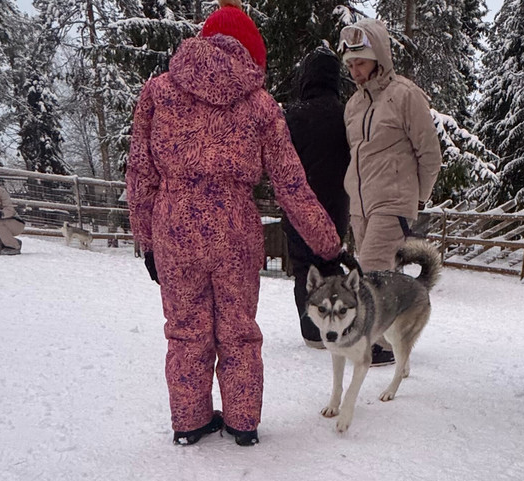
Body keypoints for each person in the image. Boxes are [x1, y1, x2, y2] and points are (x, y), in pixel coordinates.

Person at [125, 0, 343, 448]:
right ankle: (243, 424)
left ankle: (189, 423)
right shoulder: (261, 107)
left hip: (174, 230)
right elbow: (292, 185)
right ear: (251, 53)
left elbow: (141, 174)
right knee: (239, 331)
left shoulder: (158, 93)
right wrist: (330, 247)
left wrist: (147, 242)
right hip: (235, 233)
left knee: (186, 332)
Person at [338, 17, 441, 366]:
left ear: (379, 57)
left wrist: (418, 198)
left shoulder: (404, 95)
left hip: (393, 200)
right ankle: (384, 335)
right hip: (360, 203)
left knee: (371, 270)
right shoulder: (353, 105)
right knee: (370, 273)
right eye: (350, 64)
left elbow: (429, 153)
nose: (355, 71)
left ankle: (377, 344)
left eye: (361, 62)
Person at [283, 46, 351, 350]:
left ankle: (311, 331)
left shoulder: (293, 115)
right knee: (331, 263)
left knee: (303, 268)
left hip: (299, 204)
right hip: (337, 204)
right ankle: (335, 324)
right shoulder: (346, 114)